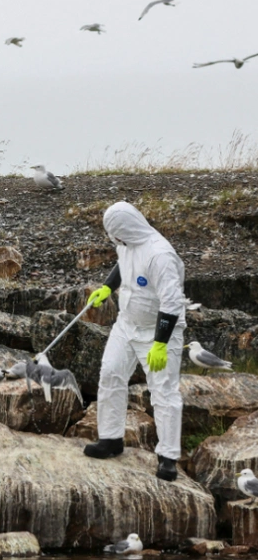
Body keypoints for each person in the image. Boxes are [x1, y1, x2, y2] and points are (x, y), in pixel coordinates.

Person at [83, 201, 186, 481]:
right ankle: (111, 439)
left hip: (159, 330)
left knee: (164, 392)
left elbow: (172, 302)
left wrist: (161, 342)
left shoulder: (160, 255)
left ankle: (168, 457)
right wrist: (107, 287)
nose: (114, 239)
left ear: (127, 228)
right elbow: (122, 264)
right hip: (127, 323)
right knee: (111, 373)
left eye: (116, 234)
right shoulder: (126, 242)